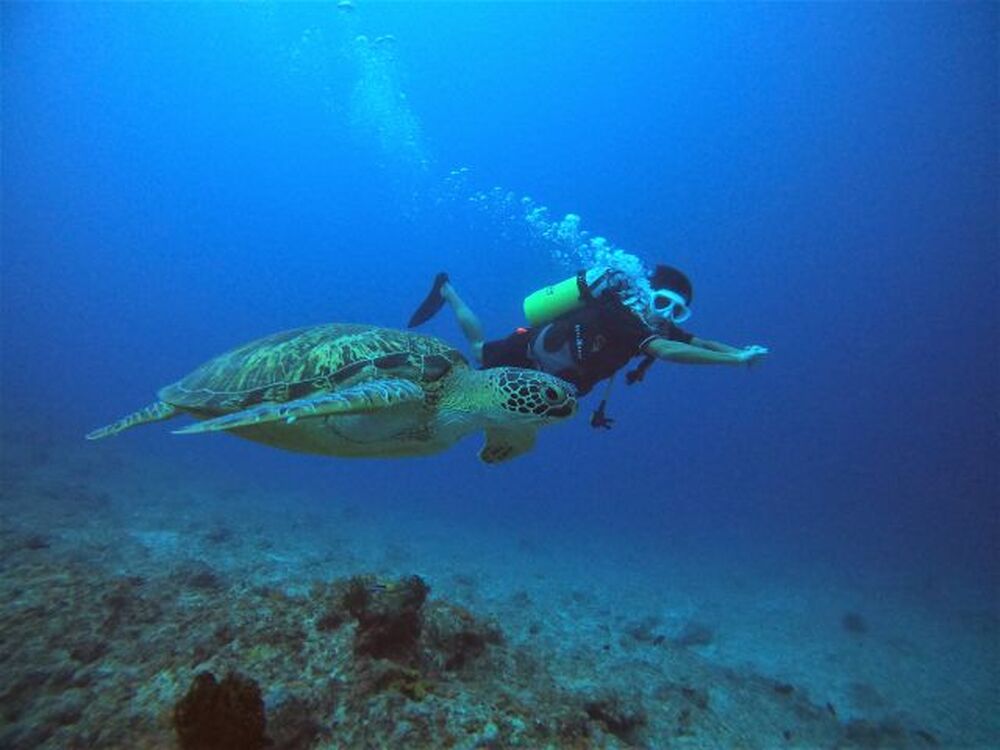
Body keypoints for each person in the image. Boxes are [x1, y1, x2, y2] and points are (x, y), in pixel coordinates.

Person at [408, 264, 768, 427]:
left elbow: (699, 341)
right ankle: (447, 291)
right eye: (661, 303)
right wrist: (734, 362)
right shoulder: (619, 313)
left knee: (511, 414)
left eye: (677, 311)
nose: (665, 316)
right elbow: (666, 351)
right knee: (477, 350)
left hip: (557, 382)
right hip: (528, 354)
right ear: (646, 294)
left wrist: (740, 351)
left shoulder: (655, 326)